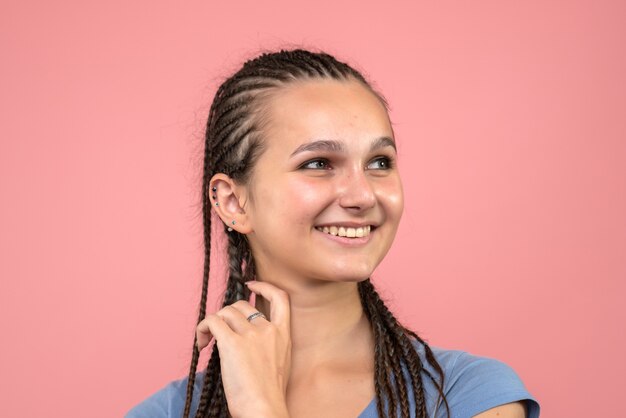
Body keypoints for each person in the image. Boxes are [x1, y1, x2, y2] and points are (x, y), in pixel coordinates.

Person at [126, 49, 540, 418]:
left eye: (379, 162)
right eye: (319, 163)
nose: (362, 195)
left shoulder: (471, 396)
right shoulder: (167, 412)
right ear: (234, 202)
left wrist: (261, 410)